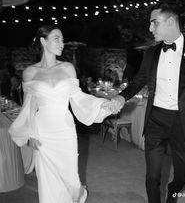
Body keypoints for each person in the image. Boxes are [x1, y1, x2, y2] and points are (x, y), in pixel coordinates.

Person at [111, 1, 185, 203]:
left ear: (171, 22)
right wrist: (121, 96)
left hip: (182, 122)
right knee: (152, 176)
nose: (150, 28)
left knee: (183, 176)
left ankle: (172, 196)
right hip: (155, 119)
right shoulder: (150, 53)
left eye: (154, 23)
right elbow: (138, 80)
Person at [8, 25, 115, 203]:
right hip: (42, 133)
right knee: (47, 180)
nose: (62, 43)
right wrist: (31, 133)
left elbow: (79, 98)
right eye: (57, 38)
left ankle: (78, 194)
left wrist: (103, 105)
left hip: (65, 131)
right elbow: (29, 107)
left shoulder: (68, 68)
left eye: (62, 39)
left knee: (70, 177)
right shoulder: (29, 72)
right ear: (43, 41)